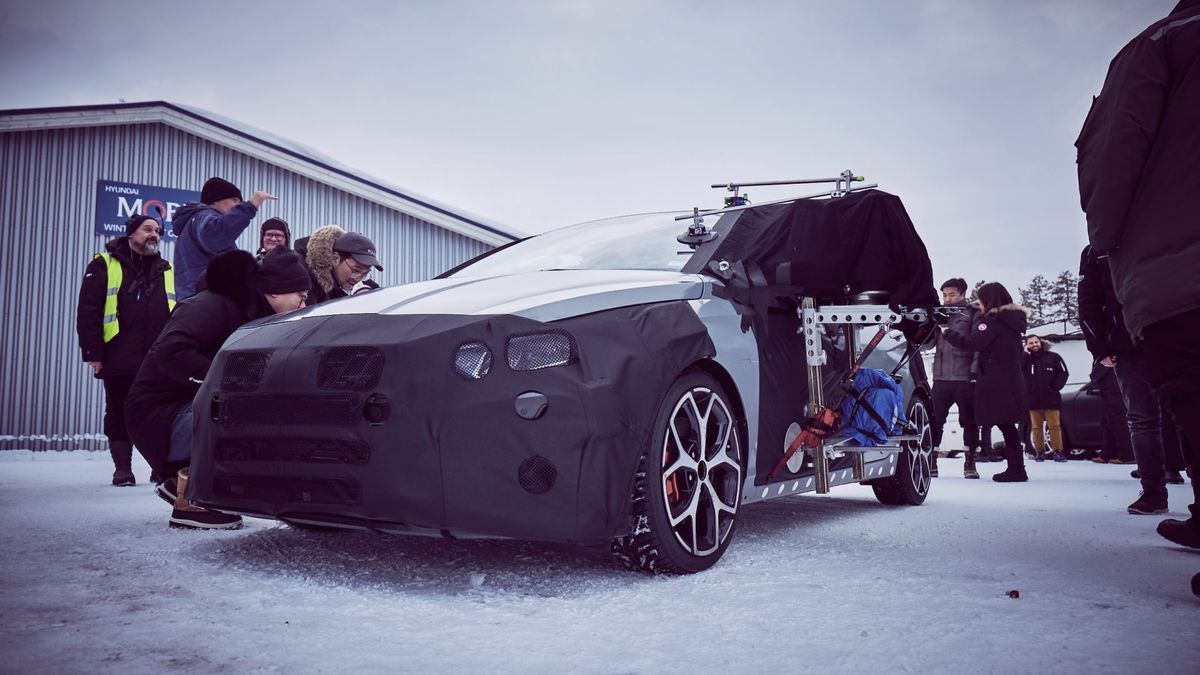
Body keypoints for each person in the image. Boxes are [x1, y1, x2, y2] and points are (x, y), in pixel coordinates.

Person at [1076, 0, 1200, 553]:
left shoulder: (1161, 43)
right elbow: (1090, 305)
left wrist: (1105, 237)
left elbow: (1113, 152)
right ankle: (1162, 489)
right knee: (1155, 413)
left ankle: (1164, 489)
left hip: (1179, 262)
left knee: (1186, 398)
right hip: (1143, 315)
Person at [125, 248, 311, 529]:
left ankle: (182, 482)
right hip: (158, 417)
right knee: (251, 412)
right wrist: (228, 383)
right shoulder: (211, 305)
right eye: (301, 295)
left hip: (180, 413)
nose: (304, 303)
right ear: (275, 292)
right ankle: (194, 503)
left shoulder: (252, 317)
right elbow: (171, 353)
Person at [76, 214, 175, 486]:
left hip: (157, 357)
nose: (154, 234)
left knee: (160, 412)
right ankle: (123, 469)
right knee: (118, 410)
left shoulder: (166, 268)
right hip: (118, 354)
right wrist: (93, 353)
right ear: (130, 233)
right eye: (147, 229)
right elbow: (88, 311)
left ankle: (160, 467)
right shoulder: (104, 264)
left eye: (157, 230)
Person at [941, 282, 1030, 482]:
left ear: (989, 299)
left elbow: (973, 343)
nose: (978, 303)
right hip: (1011, 378)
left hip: (997, 380)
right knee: (1007, 424)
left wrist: (948, 333)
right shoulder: (1012, 320)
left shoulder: (993, 321)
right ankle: (1017, 467)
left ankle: (1016, 469)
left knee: (1005, 424)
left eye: (981, 299)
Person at [171, 176, 277, 300]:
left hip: (198, 302)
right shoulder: (202, 217)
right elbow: (215, 236)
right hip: (206, 303)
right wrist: (250, 206)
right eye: (234, 200)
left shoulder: (193, 224)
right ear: (215, 201)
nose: (238, 205)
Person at [929, 278, 983, 479]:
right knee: (935, 421)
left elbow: (977, 345)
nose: (947, 299)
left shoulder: (972, 314)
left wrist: (974, 373)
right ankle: (931, 462)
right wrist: (933, 322)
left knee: (969, 422)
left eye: (951, 294)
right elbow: (928, 345)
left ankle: (970, 464)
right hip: (941, 377)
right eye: (944, 295)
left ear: (962, 294)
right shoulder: (940, 314)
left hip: (964, 377)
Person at [295, 226, 383, 304]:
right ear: (335, 258)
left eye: (364, 274)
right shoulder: (301, 274)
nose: (357, 279)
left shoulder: (333, 288)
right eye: (355, 271)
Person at [1022, 335, 1069, 463]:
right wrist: (1025, 354)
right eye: (1030, 343)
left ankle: (1058, 452)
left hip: (1051, 398)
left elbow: (1064, 373)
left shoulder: (1053, 357)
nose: (1034, 344)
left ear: (1040, 342)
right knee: (1036, 427)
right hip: (1033, 399)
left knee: (1054, 426)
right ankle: (1040, 452)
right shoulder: (1025, 359)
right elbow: (1018, 370)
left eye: (1036, 342)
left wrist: (1055, 387)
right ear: (1027, 345)